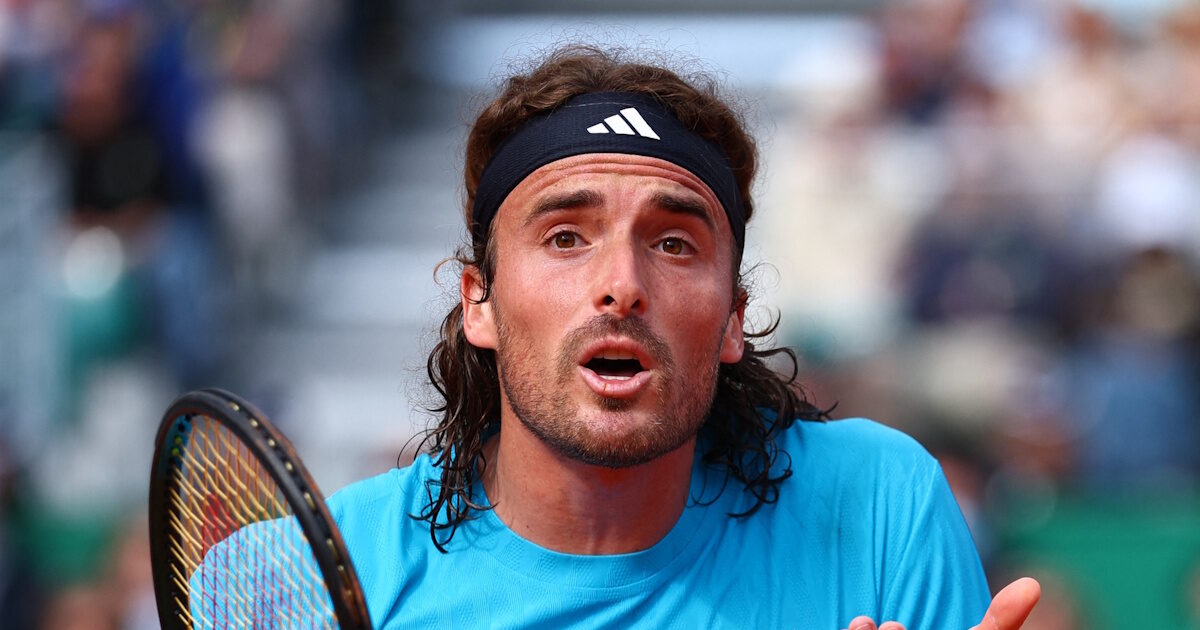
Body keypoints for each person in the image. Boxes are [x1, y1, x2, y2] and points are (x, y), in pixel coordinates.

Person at [327, 45, 1040, 629]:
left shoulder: (880, 504)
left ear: (733, 318)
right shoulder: (331, 570)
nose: (622, 283)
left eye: (673, 244)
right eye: (566, 236)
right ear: (479, 301)